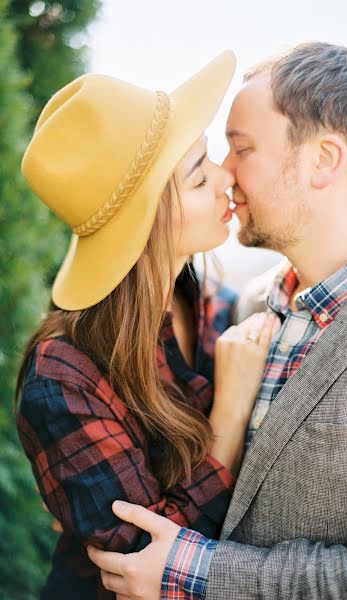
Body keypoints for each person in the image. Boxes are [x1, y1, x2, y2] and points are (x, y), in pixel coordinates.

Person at [87, 42, 347, 599]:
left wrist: (199, 572)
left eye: (241, 149)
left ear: (324, 159)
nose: (225, 174)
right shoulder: (247, 308)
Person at [15, 51, 277, 599]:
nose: (226, 175)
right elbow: (144, 565)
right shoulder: (63, 376)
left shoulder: (206, 303)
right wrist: (230, 409)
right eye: (199, 175)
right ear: (148, 217)